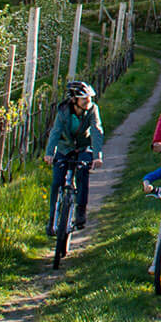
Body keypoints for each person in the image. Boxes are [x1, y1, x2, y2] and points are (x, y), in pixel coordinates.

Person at [43, 80, 105, 235]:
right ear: (74, 100)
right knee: (57, 181)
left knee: (83, 174)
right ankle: (52, 219)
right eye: (85, 99)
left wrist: (97, 156)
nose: (88, 102)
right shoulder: (63, 111)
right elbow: (55, 131)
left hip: (83, 147)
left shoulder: (92, 110)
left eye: (90, 98)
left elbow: (96, 131)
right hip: (65, 148)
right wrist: (49, 153)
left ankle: (80, 213)